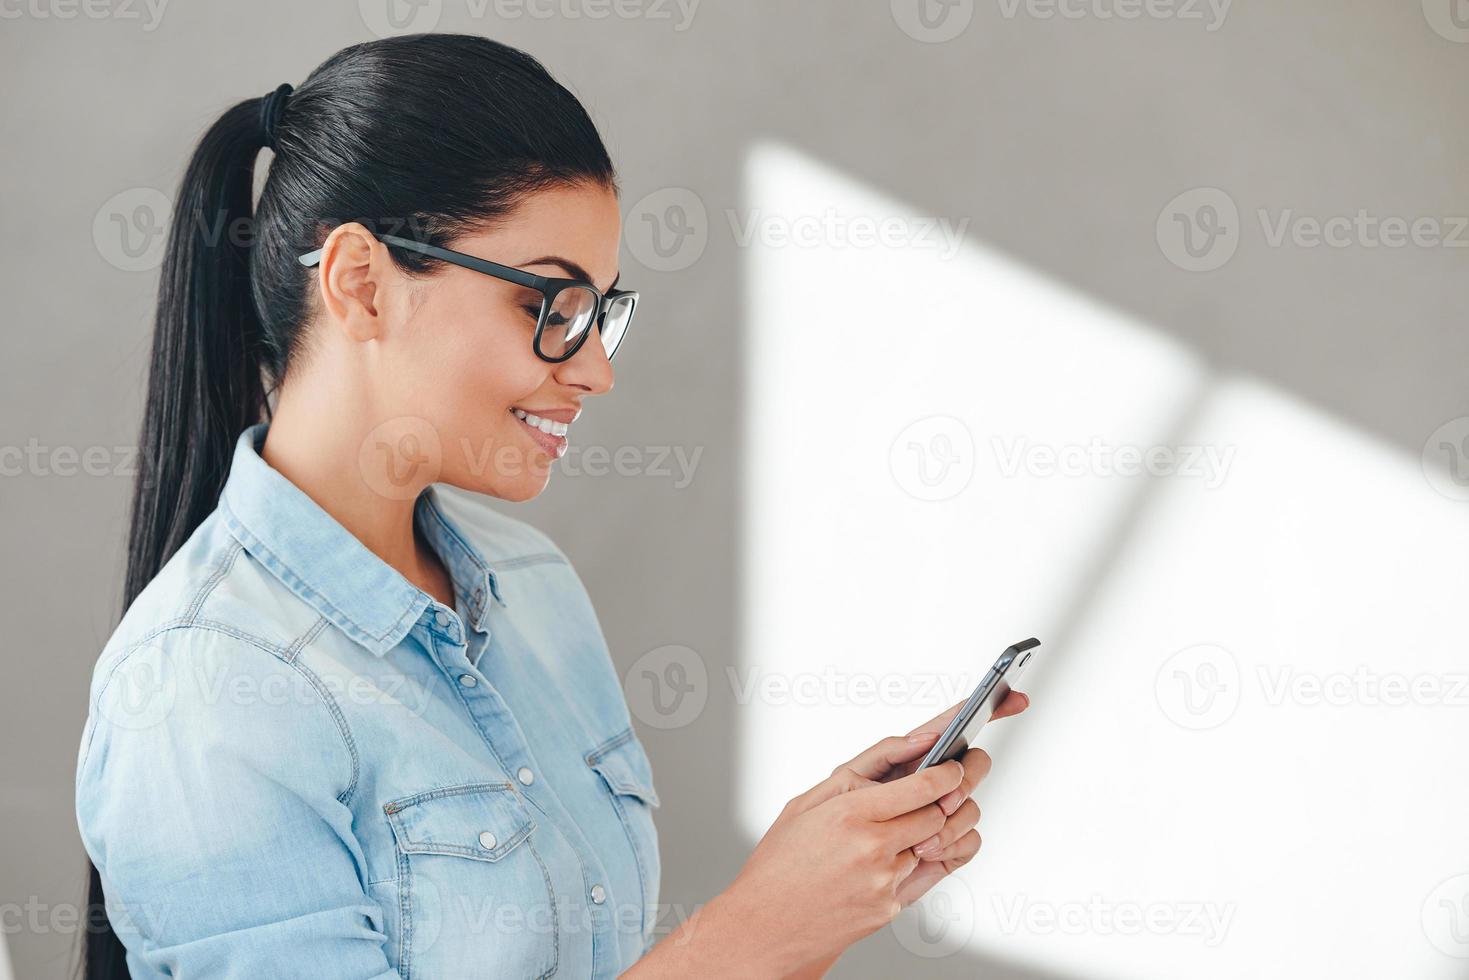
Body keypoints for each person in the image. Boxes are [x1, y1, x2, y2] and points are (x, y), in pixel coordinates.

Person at [74, 32, 1028, 979]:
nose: (597, 369)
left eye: (601, 313)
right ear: (361, 283)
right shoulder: (202, 693)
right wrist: (758, 930)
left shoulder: (531, 585)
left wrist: (814, 896)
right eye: (554, 307)